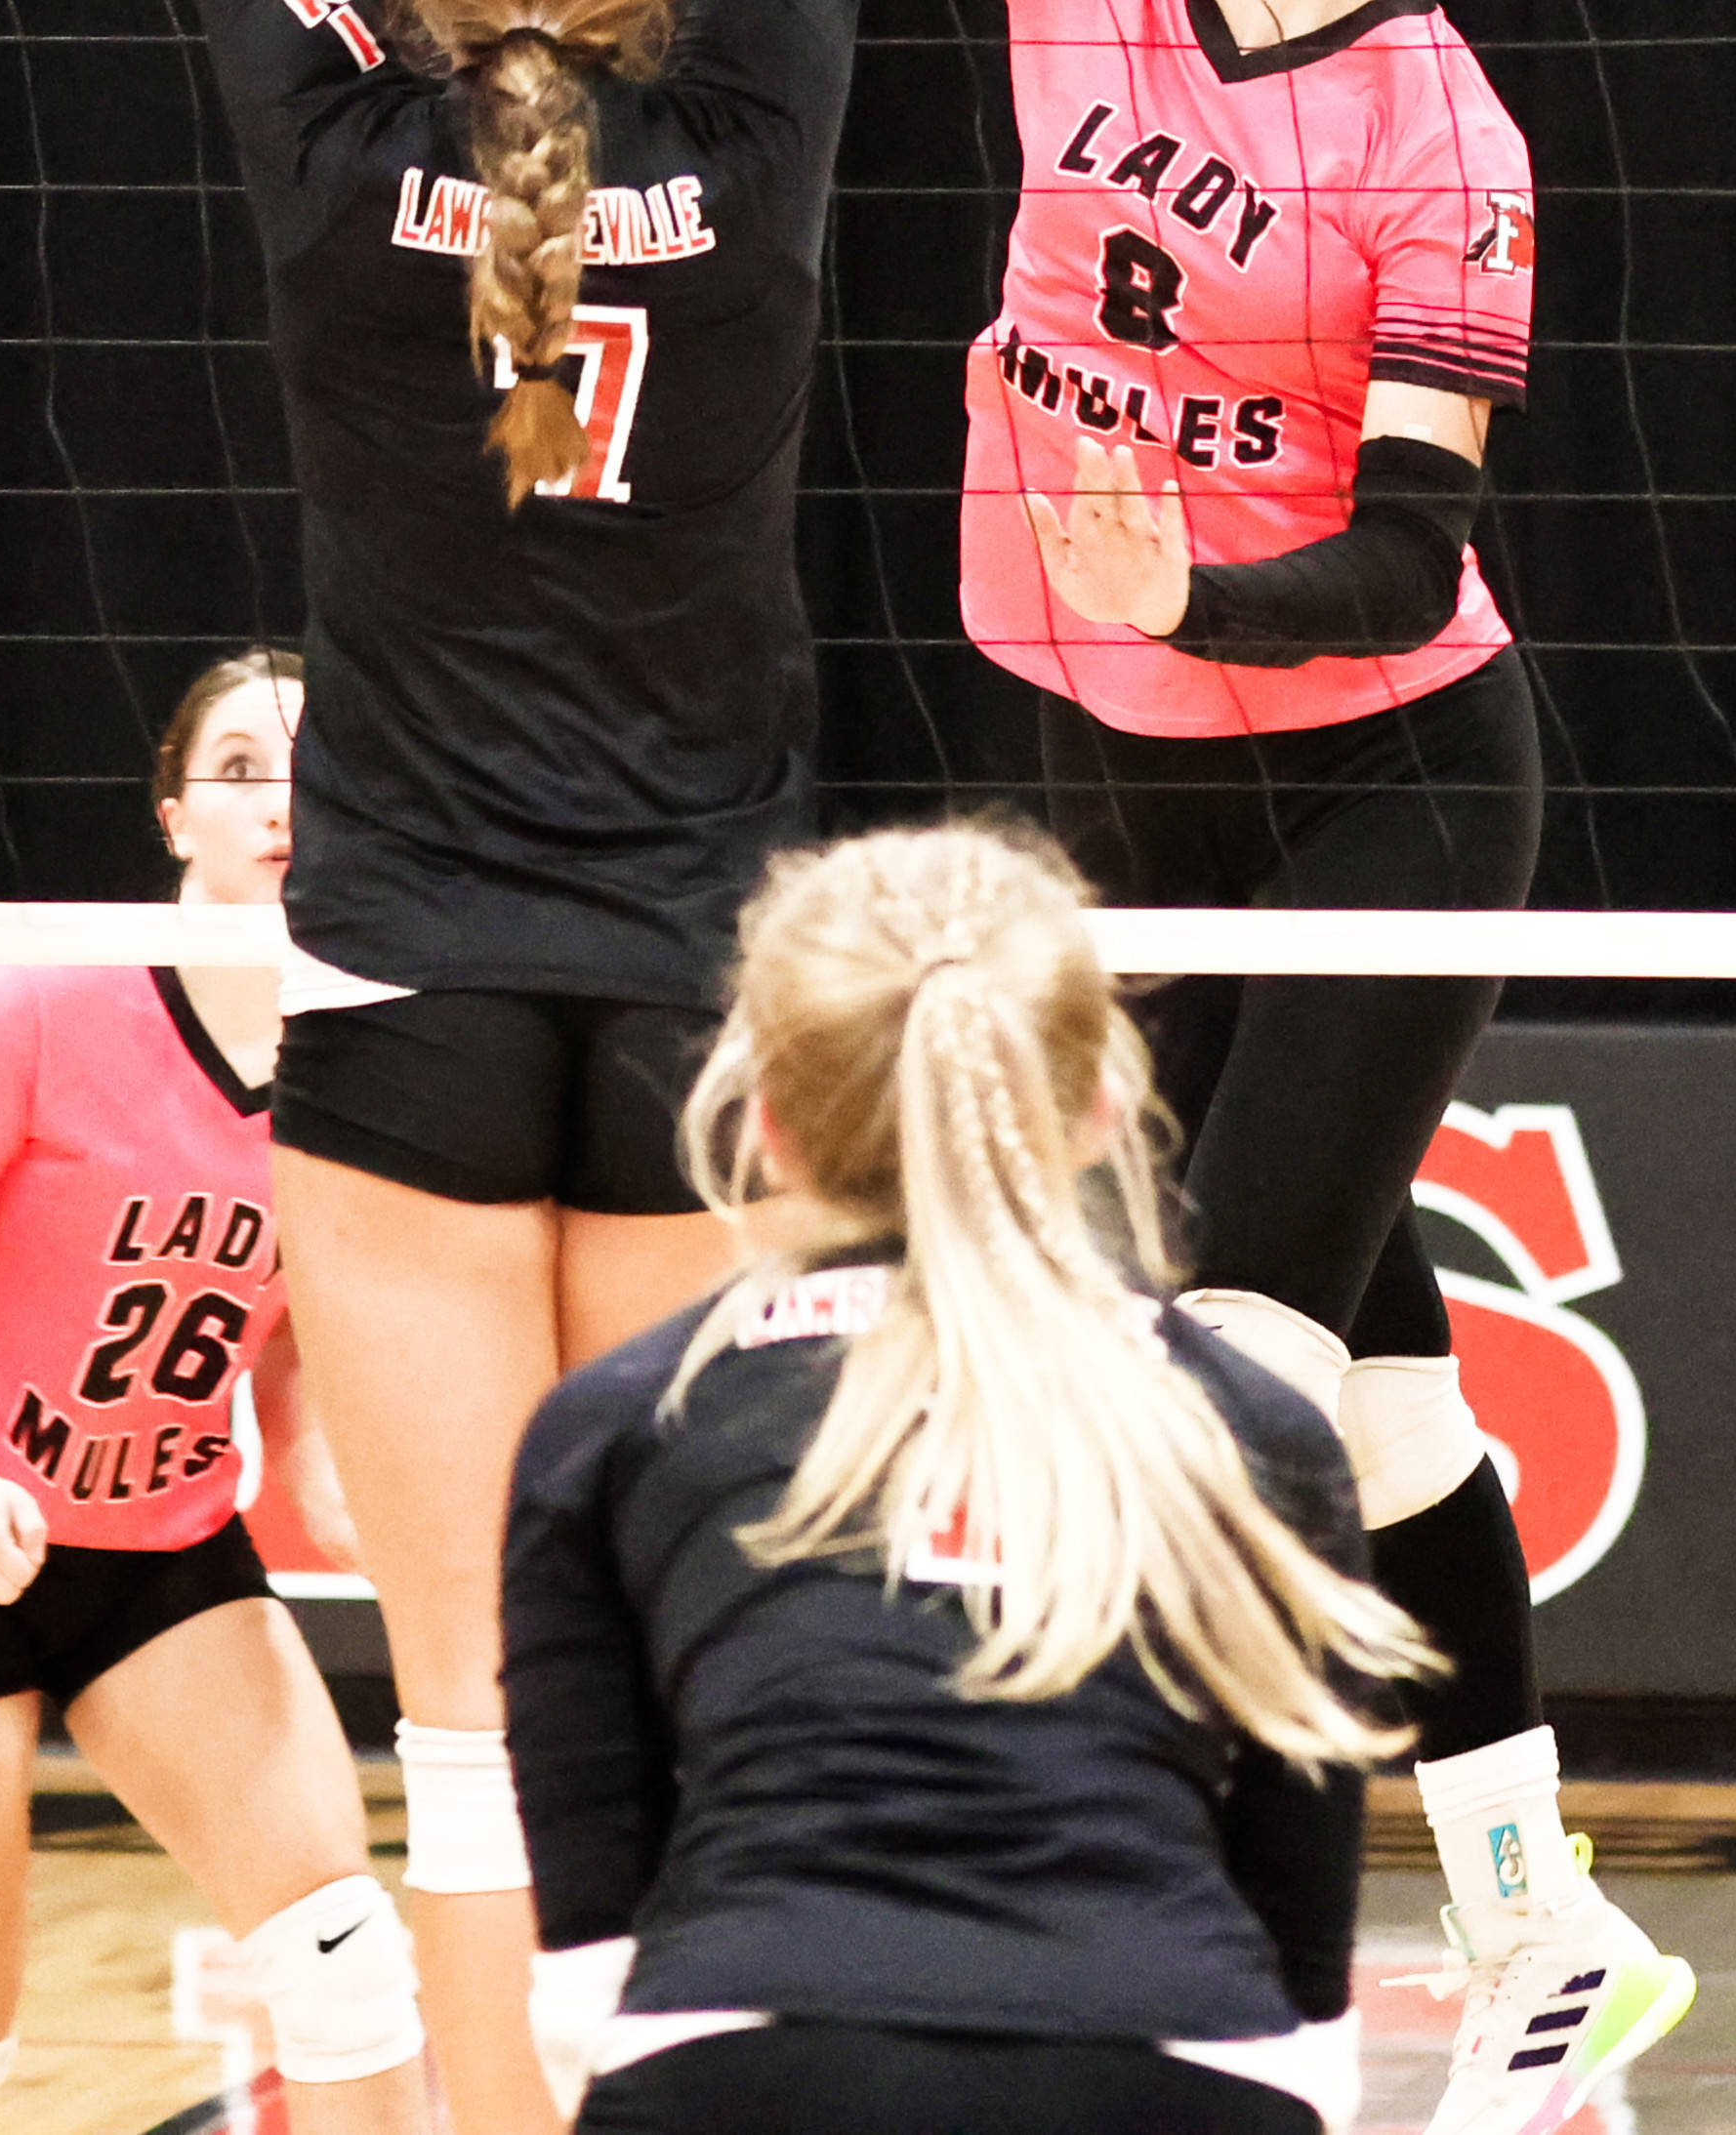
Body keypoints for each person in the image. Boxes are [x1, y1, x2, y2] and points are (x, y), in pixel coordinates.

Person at [848, 0, 1736, 2131]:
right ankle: (1538, 1927)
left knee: (1220, 1365)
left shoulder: (1442, 134)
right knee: (1362, 1374)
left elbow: (1405, 559)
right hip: (1122, 761)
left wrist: (1194, 587)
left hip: (1382, 772)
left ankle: (1140, 1945)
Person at [77, 0, 904, 2132]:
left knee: (462, 1709)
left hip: (402, 978)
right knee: (675, 1678)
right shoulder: (772, 96)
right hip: (706, 990)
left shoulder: (333, 134)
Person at [504, 822, 1432, 2135]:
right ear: (1103, 1107)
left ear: (768, 1127)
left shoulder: (614, 1426)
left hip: (744, 2062)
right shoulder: (1254, 1429)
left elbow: (588, 1969)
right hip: (1173, 2064)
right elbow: (1303, 1963)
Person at [0, 648, 420, 2135]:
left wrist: (310, 1456)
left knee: (346, 1965)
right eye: (241, 770)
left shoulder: (372, 1051)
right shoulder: (48, 999)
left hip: (164, 1560)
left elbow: (288, 1313)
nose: (282, 801)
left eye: (314, 767)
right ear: (174, 816)